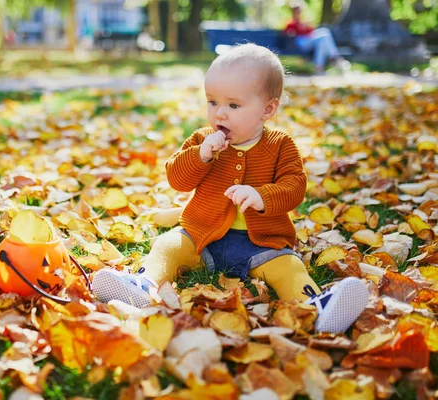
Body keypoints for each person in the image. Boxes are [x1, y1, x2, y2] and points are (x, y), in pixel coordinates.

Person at [92, 43, 368, 334]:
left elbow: (294, 186)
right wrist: (200, 155)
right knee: (167, 246)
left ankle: (314, 306)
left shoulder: (280, 145)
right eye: (212, 102)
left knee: (289, 267)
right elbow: (177, 178)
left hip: (261, 244)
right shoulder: (202, 140)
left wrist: (262, 196)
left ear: (268, 109)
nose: (219, 114)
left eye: (233, 105)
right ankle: (144, 285)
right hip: (202, 236)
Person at [285, 5, 350, 74]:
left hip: (309, 40)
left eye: (300, 11)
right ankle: (336, 58)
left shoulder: (303, 22)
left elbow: (310, 32)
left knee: (322, 42)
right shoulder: (291, 23)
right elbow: (288, 35)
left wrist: (305, 26)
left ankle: (319, 68)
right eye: (297, 11)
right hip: (300, 43)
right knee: (324, 34)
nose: (299, 13)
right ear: (293, 12)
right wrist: (297, 29)